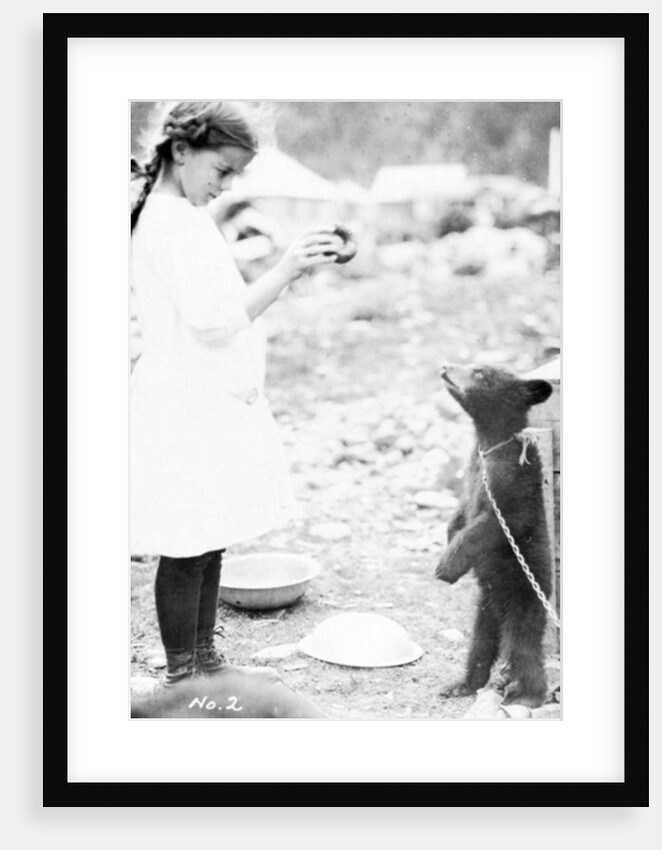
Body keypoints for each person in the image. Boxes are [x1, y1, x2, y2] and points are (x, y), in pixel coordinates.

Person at [130, 101, 344, 687]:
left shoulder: (183, 214)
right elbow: (213, 321)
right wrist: (286, 268)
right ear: (181, 152)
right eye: (221, 172)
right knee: (186, 538)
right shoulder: (170, 219)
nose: (225, 186)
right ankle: (183, 674)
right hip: (183, 399)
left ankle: (205, 661)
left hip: (203, 396)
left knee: (210, 529)